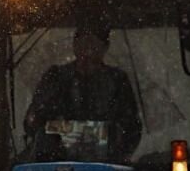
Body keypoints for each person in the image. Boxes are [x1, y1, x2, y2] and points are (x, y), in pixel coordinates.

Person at [24, 20, 142, 162]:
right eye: (82, 43)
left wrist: (110, 143)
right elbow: (34, 121)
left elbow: (130, 129)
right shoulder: (55, 77)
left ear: (105, 48)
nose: (87, 50)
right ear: (74, 46)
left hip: (105, 166)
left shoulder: (117, 80)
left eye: (93, 44)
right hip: (53, 167)